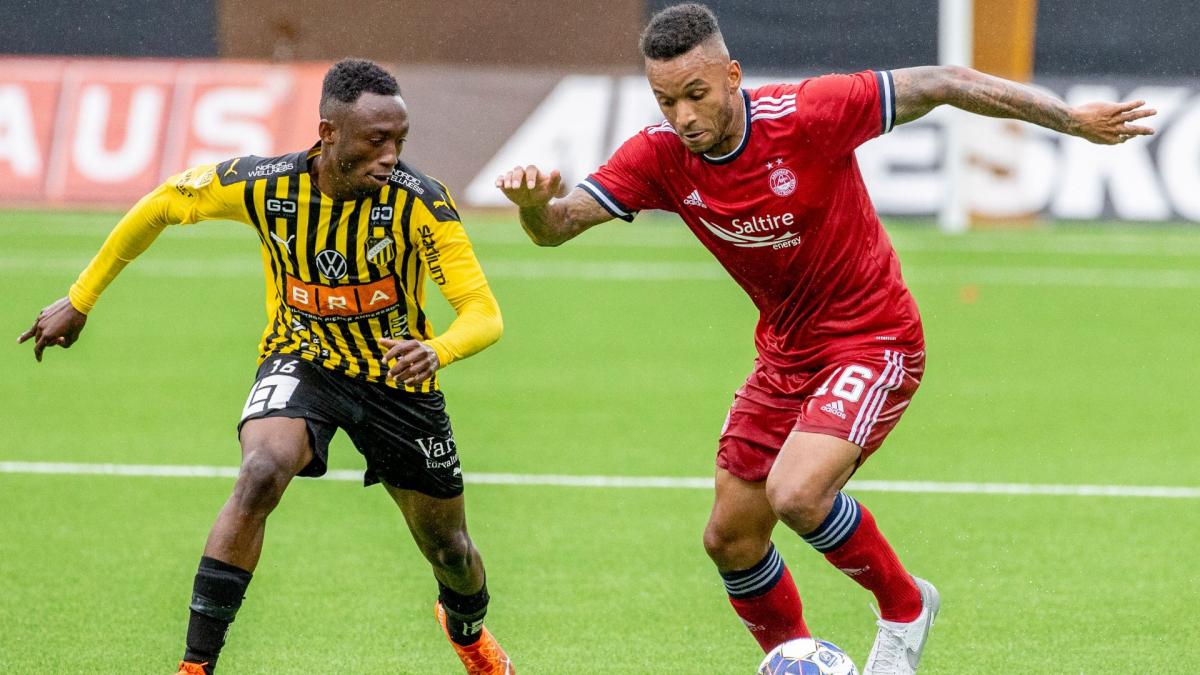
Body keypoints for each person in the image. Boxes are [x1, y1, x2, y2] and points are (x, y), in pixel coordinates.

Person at [495, 4, 1154, 673]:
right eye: (667, 101)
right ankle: (795, 659)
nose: (684, 117)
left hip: (876, 338)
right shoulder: (660, 157)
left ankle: (905, 607)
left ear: (732, 75)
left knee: (798, 493)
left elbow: (947, 80)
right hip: (785, 356)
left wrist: (1069, 120)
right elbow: (558, 226)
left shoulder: (809, 115)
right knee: (731, 537)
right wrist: (531, 209)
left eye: (696, 95)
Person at [19, 58, 514, 675]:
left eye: (400, 142)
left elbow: (483, 313)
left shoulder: (421, 203)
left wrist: (436, 350)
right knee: (259, 472)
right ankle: (196, 666)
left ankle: (465, 629)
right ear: (328, 133)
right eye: (376, 140)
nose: (391, 156)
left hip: (399, 379)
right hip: (301, 358)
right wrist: (81, 298)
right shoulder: (263, 183)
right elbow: (160, 204)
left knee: (450, 550)